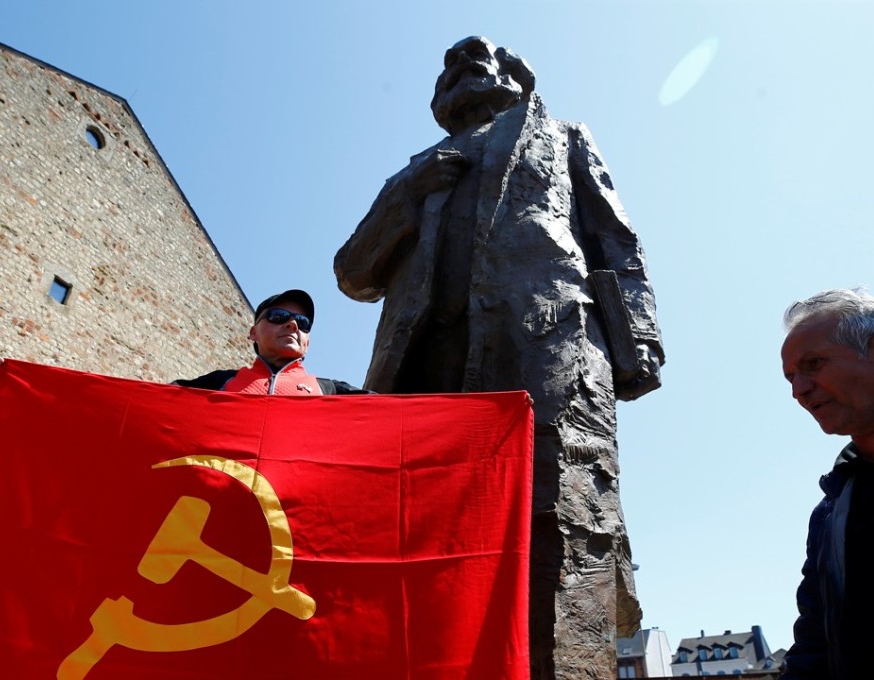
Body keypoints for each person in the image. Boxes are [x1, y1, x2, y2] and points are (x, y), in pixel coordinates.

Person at [334, 36, 664, 679]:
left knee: (561, 520)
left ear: (516, 78)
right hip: (422, 365)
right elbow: (353, 272)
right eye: (449, 67)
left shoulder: (562, 136)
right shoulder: (415, 169)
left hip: (546, 346)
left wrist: (639, 345)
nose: (463, 66)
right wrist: (408, 193)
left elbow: (616, 242)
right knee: (415, 526)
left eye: (480, 60)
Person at [780, 289, 874, 679]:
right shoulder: (831, 512)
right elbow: (814, 646)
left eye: (812, 364)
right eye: (791, 377)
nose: (798, 389)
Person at [174, 289, 366, 395]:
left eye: (302, 323)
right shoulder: (219, 382)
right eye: (278, 316)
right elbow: (153, 403)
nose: (292, 324)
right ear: (253, 332)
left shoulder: (330, 391)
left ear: (307, 344)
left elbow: (392, 415)